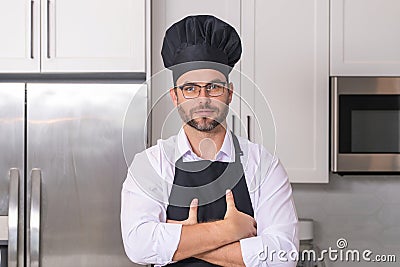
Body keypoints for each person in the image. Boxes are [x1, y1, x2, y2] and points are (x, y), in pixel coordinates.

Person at [121, 15, 299, 266]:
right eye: (190, 88)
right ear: (175, 97)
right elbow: (138, 245)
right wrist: (228, 231)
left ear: (229, 93)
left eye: (213, 87)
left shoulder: (264, 165)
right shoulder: (151, 164)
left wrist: (180, 241)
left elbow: (283, 255)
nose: (202, 99)